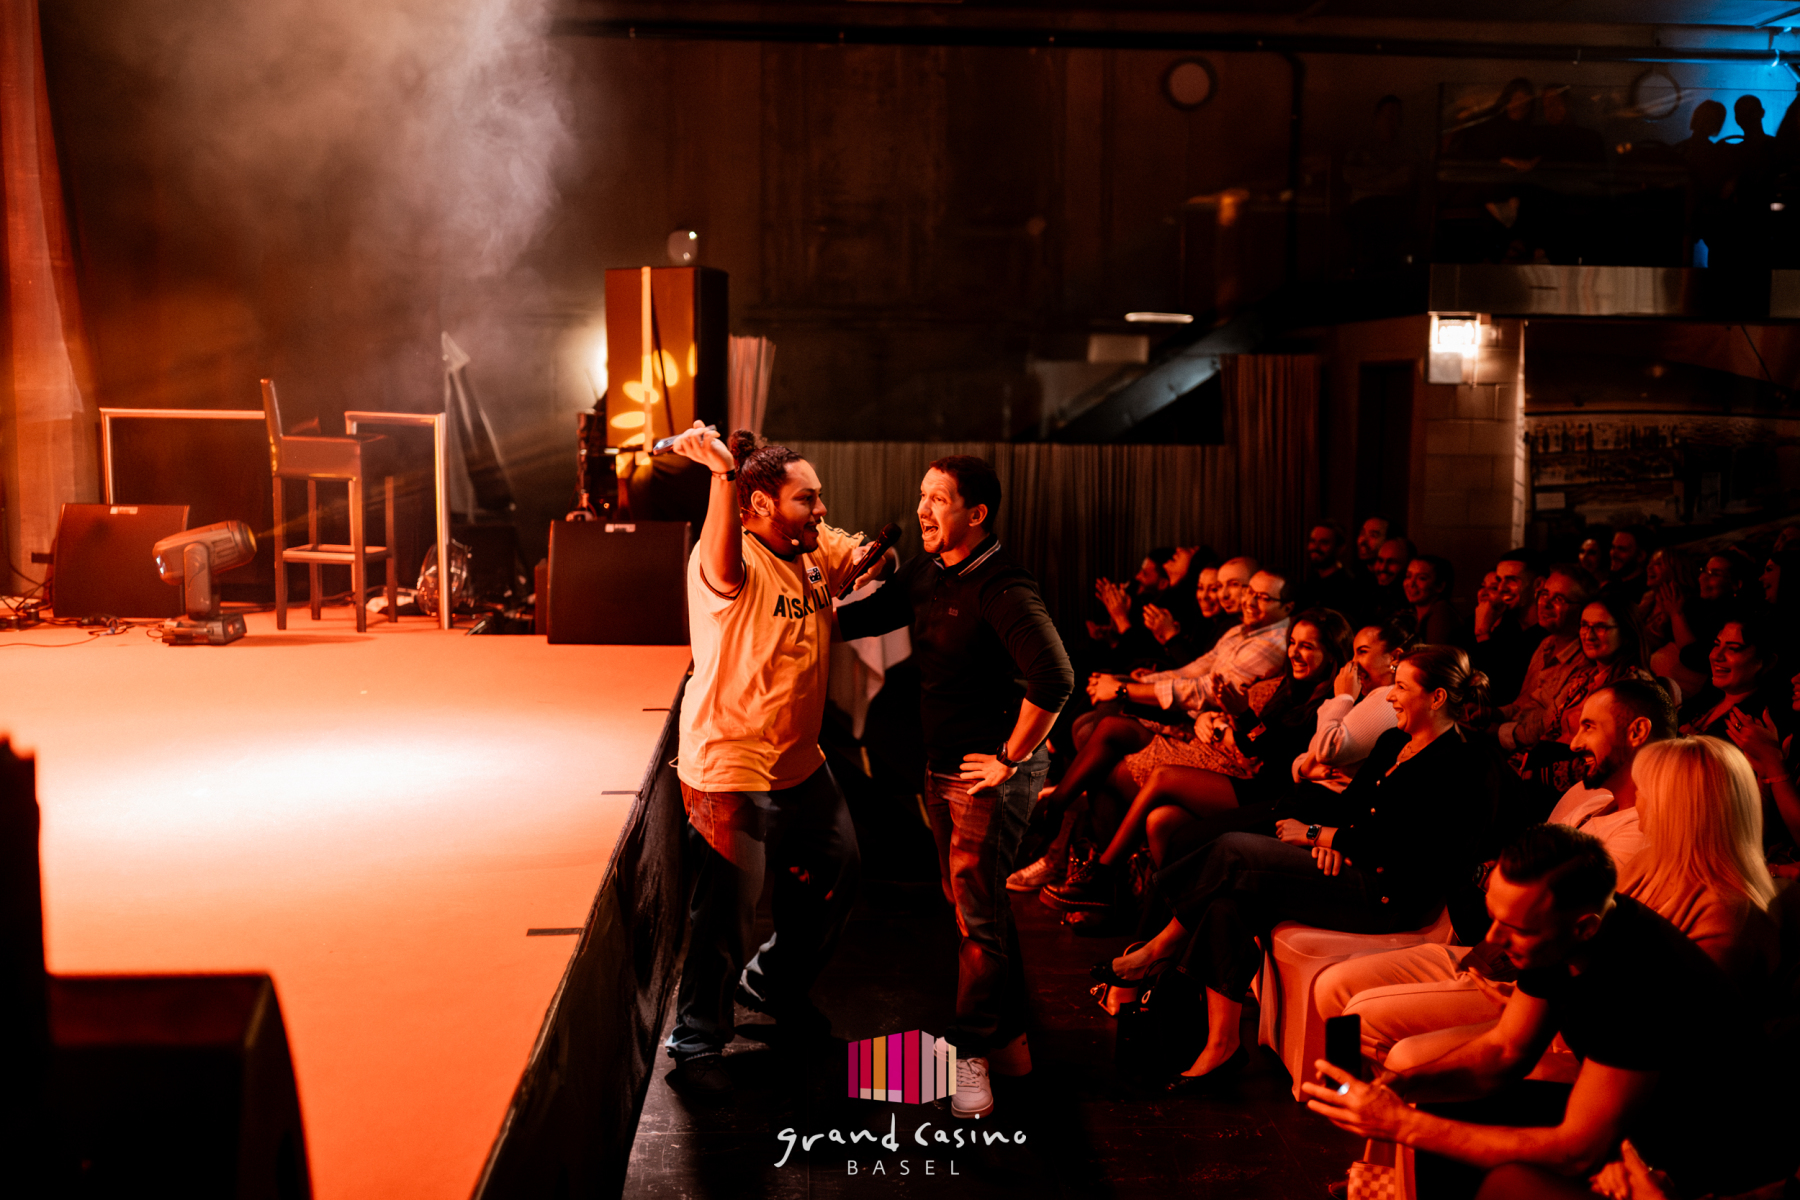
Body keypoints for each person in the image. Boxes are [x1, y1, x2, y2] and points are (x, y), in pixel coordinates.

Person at [1304, 824, 1795, 1200]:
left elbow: (1577, 1150)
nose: (1493, 939)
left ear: (1584, 927)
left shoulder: (1637, 979)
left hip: (1714, 1170)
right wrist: (1401, 1086)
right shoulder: (1555, 938)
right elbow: (1505, 1050)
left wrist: (1401, 1124)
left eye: (1515, 928)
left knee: (1507, 1183)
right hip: (1640, 1129)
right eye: (1493, 917)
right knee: (1441, 1105)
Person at [1105, 646, 1500, 1090]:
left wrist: (1325, 837)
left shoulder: (1469, 763)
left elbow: (1425, 853)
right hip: (1352, 870)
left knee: (1234, 849)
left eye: (1402, 688)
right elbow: (1351, 809)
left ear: (1437, 698)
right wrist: (1331, 839)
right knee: (1227, 902)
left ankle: (1159, 946)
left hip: (1392, 896)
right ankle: (1223, 1045)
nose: (1390, 696)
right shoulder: (1393, 742)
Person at [836, 455, 1073, 1119]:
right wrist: (822, 591)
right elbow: (860, 619)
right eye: (922, 495)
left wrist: (1009, 758)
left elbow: (1054, 677)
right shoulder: (931, 570)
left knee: (976, 919)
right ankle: (1011, 1043)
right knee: (976, 911)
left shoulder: (1002, 586)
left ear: (977, 513)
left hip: (984, 778)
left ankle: (971, 1056)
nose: (923, 508)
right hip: (942, 769)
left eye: (939, 498)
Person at [661, 423, 874, 1094]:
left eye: (818, 497)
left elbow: (869, 558)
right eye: (806, 499)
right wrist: (722, 475)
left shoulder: (811, 549)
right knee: (728, 910)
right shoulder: (728, 559)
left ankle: (772, 983)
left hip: (800, 762)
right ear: (758, 505)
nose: (821, 509)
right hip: (730, 763)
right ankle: (696, 1042)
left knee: (839, 871)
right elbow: (723, 561)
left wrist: (884, 562)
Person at [1313, 680, 1672, 1067]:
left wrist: (1489, 879)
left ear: (1637, 731)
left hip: (1524, 974)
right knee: (1332, 985)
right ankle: (1356, 1090)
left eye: (1589, 727)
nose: (1574, 744)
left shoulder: (1642, 831)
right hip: (1488, 947)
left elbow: (1550, 916)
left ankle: (1391, 1092)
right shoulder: (1590, 800)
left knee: (1365, 1015)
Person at [1042, 610, 1351, 912]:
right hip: (1253, 778)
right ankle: (1159, 912)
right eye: (1292, 643)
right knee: (1159, 817)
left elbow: (1283, 760)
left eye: (1306, 646)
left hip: (1271, 796)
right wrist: (1231, 717)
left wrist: (1243, 716)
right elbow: (1252, 744)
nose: (1294, 652)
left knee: (1157, 775)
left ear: (1332, 654)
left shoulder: (1333, 703)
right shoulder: (1291, 687)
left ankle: (1101, 873)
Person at [1292, 618, 1413, 794]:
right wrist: (1302, 768)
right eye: (1353, 654)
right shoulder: (1372, 696)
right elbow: (1312, 752)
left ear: (1394, 657)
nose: (1353, 663)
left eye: (1362, 652)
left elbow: (1328, 751)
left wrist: (1343, 697)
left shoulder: (1390, 699)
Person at [1491, 566, 1594, 755]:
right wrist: (1493, 713)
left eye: (1558, 599)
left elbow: (1548, 725)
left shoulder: (1585, 661)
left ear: (1582, 609)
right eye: (1544, 594)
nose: (1545, 604)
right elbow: (1524, 702)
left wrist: (1495, 732)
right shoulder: (1546, 644)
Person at [1470, 550, 1547, 706]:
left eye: (1511, 580)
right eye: (1499, 580)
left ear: (1538, 584)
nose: (1501, 588)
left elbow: (1499, 689)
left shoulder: (1547, 634)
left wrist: (1482, 633)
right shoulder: (1505, 625)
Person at [1300, 520, 1358, 616]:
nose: (1315, 547)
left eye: (1324, 543)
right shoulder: (1311, 581)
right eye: (1312, 541)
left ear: (1340, 548)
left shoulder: (1349, 586)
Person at [1403, 554, 1458, 646]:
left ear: (1440, 586)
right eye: (1408, 576)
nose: (1411, 583)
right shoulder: (1411, 616)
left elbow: (1433, 653)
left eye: (1422, 578)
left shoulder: (1440, 614)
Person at [1602, 524, 1652, 606]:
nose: (1613, 554)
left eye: (1621, 549)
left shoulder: (1646, 593)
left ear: (1641, 556)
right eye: (1613, 547)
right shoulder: (1609, 587)